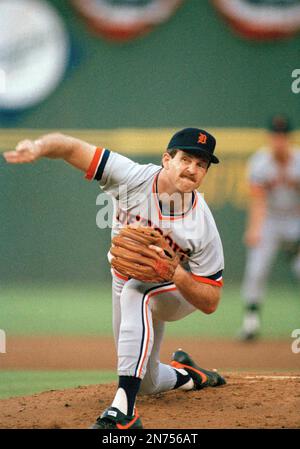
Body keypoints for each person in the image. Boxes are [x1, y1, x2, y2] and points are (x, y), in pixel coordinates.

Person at [3, 127, 226, 429]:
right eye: (186, 159)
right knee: (147, 381)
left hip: (178, 292)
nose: (193, 169)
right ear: (166, 159)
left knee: (139, 290)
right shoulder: (131, 178)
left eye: (201, 164)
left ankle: (124, 411)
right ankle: (189, 374)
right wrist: (39, 147)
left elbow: (211, 301)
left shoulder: (202, 224)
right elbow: (70, 147)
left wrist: (175, 272)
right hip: (124, 279)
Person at [239, 115, 300, 341]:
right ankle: (250, 324)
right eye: (275, 136)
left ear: (289, 138)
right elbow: (258, 200)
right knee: (256, 269)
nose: (279, 140)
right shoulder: (260, 162)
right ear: (270, 137)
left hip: (296, 220)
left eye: (283, 136)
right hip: (271, 221)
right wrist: (254, 229)